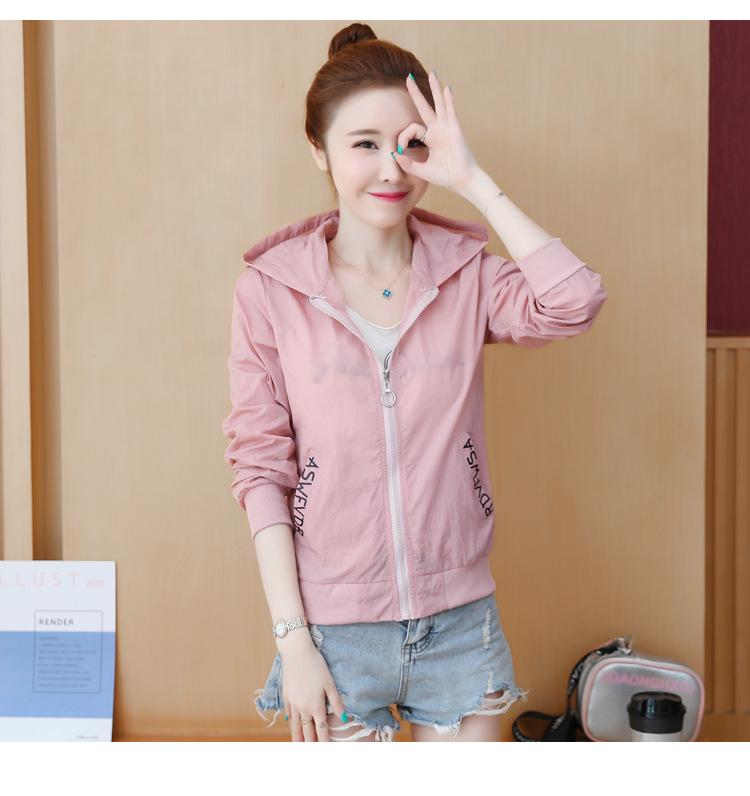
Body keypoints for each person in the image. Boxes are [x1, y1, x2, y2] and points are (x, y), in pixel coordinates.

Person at [221, 22, 608, 742]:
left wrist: (472, 181)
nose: (391, 169)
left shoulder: (465, 277)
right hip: (332, 633)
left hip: (460, 625)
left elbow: (573, 302)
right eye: (364, 144)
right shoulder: (269, 293)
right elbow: (260, 468)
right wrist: (292, 640)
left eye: (410, 144)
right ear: (319, 150)